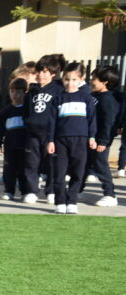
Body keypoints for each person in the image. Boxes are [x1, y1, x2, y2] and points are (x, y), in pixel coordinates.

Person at [47, 62, 96, 215]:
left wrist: (92, 137)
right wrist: (50, 140)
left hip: (81, 140)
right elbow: (52, 121)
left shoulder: (86, 98)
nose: (70, 83)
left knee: (78, 172)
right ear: (62, 79)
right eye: (67, 79)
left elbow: (92, 120)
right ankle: (60, 202)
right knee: (59, 173)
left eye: (74, 79)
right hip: (61, 141)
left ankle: (72, 201)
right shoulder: (57, 99)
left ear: (81, 79)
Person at [24, 56, 63, 204]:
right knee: (31, 163)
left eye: (45, 71)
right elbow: (26, 111)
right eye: (39, 71)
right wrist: (28, 122)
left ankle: (51, 191)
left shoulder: (58, 89)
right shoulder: (32, 91)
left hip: (50, 134)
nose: (41, 74)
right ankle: (31, 190)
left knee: (52, 164)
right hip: (33, 133)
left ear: (53, 73)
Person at [83, 65, 119, 207]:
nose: (91, 81)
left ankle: (110, 195)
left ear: (105, 82)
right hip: (89, 138)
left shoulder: (108, 99)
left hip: (100, 141)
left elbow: (108, 123)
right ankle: (78, 190)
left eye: (94, 79)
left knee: (100, 166)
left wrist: (103, 141)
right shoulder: (94, 96)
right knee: (84, 165)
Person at [0, 78, 29, 201]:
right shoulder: (5, 111)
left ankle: (25, 192)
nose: (15, 95)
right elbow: (0, 129)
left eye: (18, 92)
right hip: (10, 146)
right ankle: (9, 191)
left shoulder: (27, 109)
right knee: (9, 170)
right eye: (12, 91)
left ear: (25, 93)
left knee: (23, 170)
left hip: (24, 146)